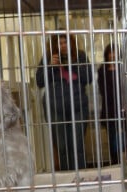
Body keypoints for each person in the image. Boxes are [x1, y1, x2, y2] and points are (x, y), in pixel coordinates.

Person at [36, 34, 92, 170]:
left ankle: (81, 177)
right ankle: (67, 178)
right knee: (62, 146)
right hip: (56, 107)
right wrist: (51, 66)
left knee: (78, 145)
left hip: (78, 106)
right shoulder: (49, 57)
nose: (63, 46)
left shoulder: (80, 55)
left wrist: (72, 64)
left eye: (65, 42)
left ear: (71, 43)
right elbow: (39, 82)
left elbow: (89, 78)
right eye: (59, 43)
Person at [97, 43, 123, 165]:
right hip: (109, 109)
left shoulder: (124, 67)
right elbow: (102, 90)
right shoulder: (102, 69)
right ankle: (115, 163)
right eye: (110, 52)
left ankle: (126, 163)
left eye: (114, 52)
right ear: (107, 55)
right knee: (112, 138)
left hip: (124, 109)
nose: (112, 55)